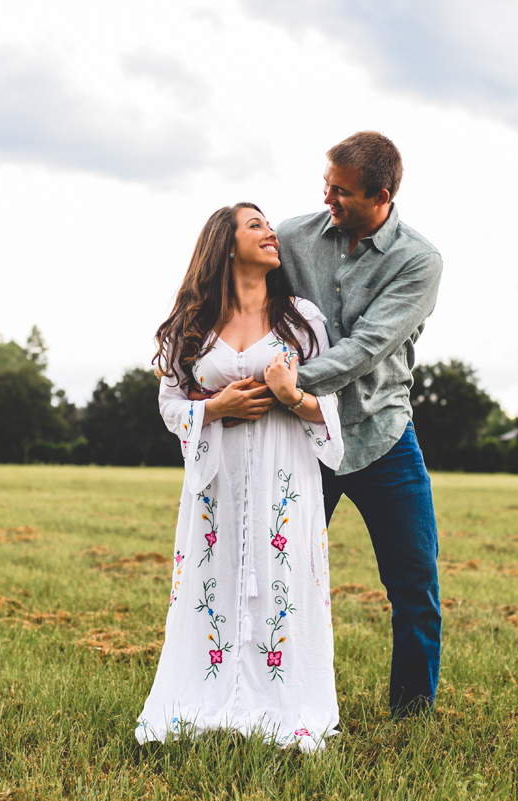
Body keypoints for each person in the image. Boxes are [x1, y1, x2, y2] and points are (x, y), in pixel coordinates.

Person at [136, 202, 344, 751]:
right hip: (217, 480)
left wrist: (289, 394)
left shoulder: (302, 319)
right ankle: (205, 692)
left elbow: (334, 404)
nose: (271, 232)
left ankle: (283, 698)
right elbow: (169, 405)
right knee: (216, 575)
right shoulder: (195, 325)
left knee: (284, 577)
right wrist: (216, 408)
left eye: (269, 225)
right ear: (227, 245)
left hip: (286, 478)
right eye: (256, 225)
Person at [275, 131, 444, 717]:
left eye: (341, 192)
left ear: (383, 194)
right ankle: (274, 700)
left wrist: (292, 383)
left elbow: (369, 347)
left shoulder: (418, 261)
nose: (328, 198)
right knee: (281, 577)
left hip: (382, 437)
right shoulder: (292, 237)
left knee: (414, 587)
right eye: (326, 184)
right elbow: (237, 286)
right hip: (300, 438)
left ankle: (410, 713)